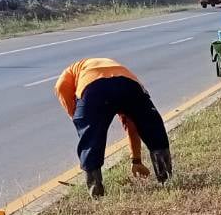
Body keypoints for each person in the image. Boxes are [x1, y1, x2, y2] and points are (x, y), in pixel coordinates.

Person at [54, 57, 172, 197]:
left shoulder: (70, 72)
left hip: (93, 88)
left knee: (90, 140)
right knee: (153, 128)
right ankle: (166, 179)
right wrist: (136, 160)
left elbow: (61, 86)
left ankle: (96, 192)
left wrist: (75, 115)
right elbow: (132, 126)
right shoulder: (111, 66)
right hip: (128, 84)